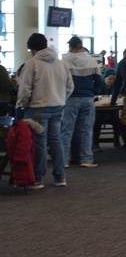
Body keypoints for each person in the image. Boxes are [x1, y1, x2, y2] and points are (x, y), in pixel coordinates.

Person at [17, 33, 74, 189]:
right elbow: (70, 87)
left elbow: (25, 90)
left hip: (37, 108)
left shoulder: (32, 63)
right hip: (58, 106)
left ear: (33, 49)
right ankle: (60, 177)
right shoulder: (61, 63)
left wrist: (24, 105)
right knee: (56, 140)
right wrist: (61, 99)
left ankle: (38, 178)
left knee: (39, 142)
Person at [61, 36, 102, 169]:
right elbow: (99, 80)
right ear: (80, 45)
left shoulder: (64, 61)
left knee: (67, 130)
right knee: (86, 130)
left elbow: (61, 81)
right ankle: (86, 159)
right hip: (88, 98)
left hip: (70, 98)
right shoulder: (91, 60)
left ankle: (65, 160)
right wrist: (94, 92)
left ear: (71, 47)